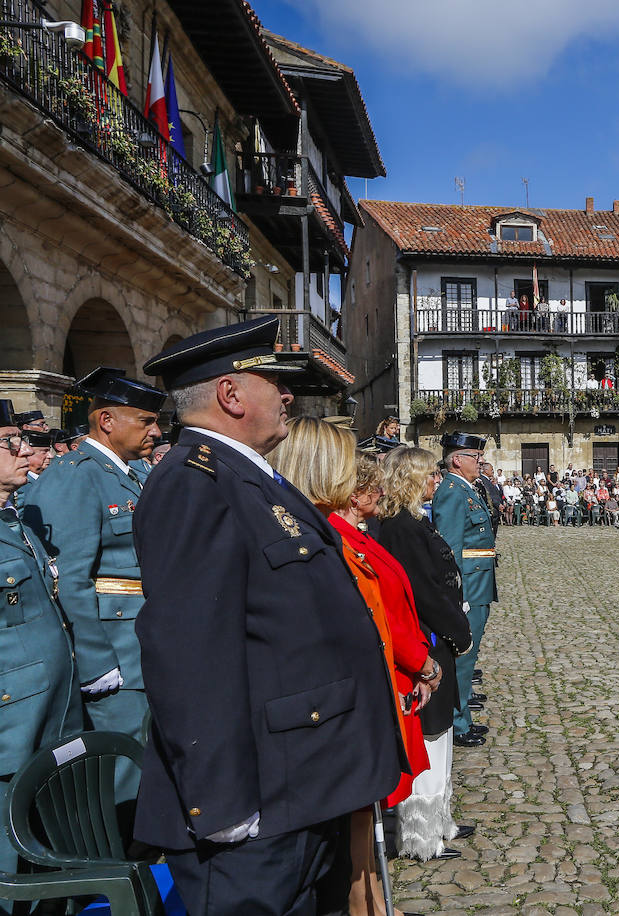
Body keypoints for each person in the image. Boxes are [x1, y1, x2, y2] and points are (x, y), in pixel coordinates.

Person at [134, 317, 403, 915]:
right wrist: (224, 808)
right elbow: (187, 654)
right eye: (271, 382)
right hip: (256, 803)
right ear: (230, 395)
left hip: (302, 783)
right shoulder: (193, 484)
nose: (287, 394)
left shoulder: (250, 476)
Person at [270, 419, 436, 914]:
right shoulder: (323, 538)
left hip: (368, 686)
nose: (372, 480)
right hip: (340, 697)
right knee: (351, 820)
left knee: (363, 815)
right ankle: (365, 905)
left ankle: (372, 901)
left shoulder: (332, 532)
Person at [20, 368, 165, 797]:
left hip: (141, 644)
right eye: (145, 421)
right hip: (114, 650)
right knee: (125, 775)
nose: (156, 431)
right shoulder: (76, 473)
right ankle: (120, 859)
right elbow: (67, 578)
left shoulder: (130, 472)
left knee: (147, 763)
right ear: (107, 421)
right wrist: (97, 660)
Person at [0, 400, 83, 913]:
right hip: (11, 720)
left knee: (45, 850)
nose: (25, 451)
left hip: (50, 710)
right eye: (10, 443)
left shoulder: (16, 522)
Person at [432, 433, 496, 748]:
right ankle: (459, 723)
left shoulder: (464, 489)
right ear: (458, 460)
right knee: (463, 655)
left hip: (479, 579)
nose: (480, 462)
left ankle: (463, 706)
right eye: (475, 456)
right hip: (469, 584)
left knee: (469, 655)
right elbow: (451, 548)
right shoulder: (452, 492)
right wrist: (456, 595)